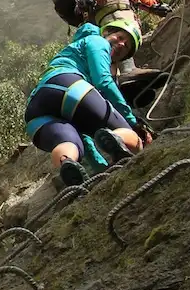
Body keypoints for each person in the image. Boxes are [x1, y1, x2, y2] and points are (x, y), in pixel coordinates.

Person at [25, 21, 153, 186]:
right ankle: (119, 137)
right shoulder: (97, 41)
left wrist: (102, 169)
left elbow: (85, 135)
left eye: (126, 46)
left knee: (70, 143)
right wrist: (133, 122)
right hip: (70, 86)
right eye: (120, 37)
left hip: (37, 111)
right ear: (107, 33)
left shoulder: (76, 49)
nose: (121, 44)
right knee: (133, 138)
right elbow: (103, 81)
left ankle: (67, 163)